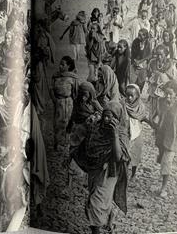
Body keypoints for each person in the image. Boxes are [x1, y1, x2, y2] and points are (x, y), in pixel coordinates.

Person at [72, 102, 130, 234]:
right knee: (97, 198)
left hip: (110, 172)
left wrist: (114, 135)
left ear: (118, 118)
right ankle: (110, 213)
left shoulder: (121, 134)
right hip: (95, 171)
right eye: (105, 116)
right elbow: (87, 146)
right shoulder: (96, 128)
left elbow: (118, 157)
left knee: (95, 204)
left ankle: (96, 229)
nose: (107, 120)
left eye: (111, 117)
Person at [50, 56, 79, 151]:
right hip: (59, 103)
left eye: (63, 64)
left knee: (68, 122)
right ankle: (58, 144)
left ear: (68, 66)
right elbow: (51, 89)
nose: (60, 66)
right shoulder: (55, 76)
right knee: (58, 123)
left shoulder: (73, 78)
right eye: (60, 64)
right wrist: (55, 99)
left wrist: (75, 106)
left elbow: (75, 93)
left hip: (69, 103)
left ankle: (66, 144)